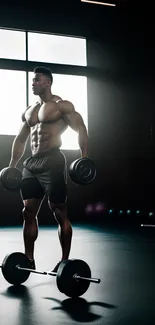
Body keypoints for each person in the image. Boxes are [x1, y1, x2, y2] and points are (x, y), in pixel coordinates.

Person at [9, 66, 88, 271]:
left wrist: (84, 159)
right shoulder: (29, 110)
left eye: (37, 80)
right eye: (32, 80)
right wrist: (12, 166)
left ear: (47, 82)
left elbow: (81, 128)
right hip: (32, 163)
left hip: (52, 160)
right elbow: (20, 139)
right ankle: (28, 259)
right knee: (28, 212)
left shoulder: (61, 106)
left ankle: (64, 262)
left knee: (59, 211)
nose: (33, 83)